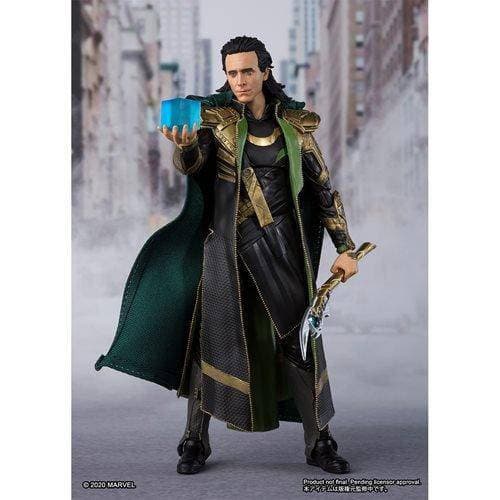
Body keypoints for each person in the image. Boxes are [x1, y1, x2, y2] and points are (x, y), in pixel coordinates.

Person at [96, 36, 358, 475]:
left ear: (265, 72)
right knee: (211, 344)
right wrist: (184, 147)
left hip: (281, 251)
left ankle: (319, 442)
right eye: (232, 72)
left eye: (247, 71)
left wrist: (345, 248)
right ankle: (194, 440)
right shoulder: (216, 121)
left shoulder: (295, 126)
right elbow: (194, 165)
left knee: (298, 345)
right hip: (226, 251)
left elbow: (323, 190)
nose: (239, 80)